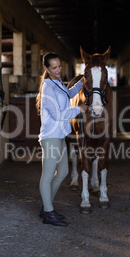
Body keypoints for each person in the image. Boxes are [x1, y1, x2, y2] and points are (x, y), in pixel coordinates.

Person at [36, 52, 87, 227]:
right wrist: (79, 109)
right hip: (51, 136)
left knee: (63, 172)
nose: (58, 70)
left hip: (59, 135)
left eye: (59, 66)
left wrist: (82, 81)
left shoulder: (58, 83)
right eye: (54, 67)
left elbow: (69, 94)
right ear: (46, 68)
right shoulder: (48, 87)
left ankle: (47, 206)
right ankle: (48, 212)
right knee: (48, 175)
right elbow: (58, 115)